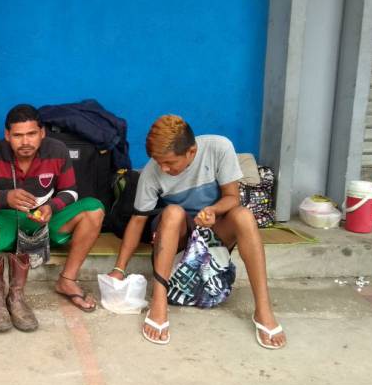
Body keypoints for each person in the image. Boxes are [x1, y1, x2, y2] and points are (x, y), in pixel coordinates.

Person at [109, 115, 286, 349]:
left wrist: (214, 210)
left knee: (244, 216)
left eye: (169, 162)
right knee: (173, 212)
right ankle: (159, 303)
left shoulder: (219, 148)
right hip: (178, 237)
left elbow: (232, 197)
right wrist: (119, 269)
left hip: (213, 233)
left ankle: (263, 310)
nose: (163, 168)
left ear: (191, 151)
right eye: (158, 162)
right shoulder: (153, 170)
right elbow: (138, 220)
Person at [0, 104, 105, 332]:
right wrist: (5, 198)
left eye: (31, 134)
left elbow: (71, 192)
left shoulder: (57, 150)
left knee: (94, 209)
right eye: (18, 135)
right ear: (7, 135)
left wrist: (52, 207)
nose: (25, 141)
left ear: (42, 133)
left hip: (44, 221)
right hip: (7, 222)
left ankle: (67, 280)